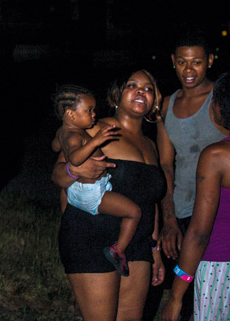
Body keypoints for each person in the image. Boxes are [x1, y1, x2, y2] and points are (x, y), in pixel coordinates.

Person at [52, 70, 166, 321]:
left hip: (138, 244)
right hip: (92, 237)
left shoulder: (150, 145)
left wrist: (155, 249)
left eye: (148, 88)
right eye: (132, 85)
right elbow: (59, 175)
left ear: (155, 99)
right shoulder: (94, 129)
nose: (141, 91)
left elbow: (150, 199)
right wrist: (73, 171)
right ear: (117, 94)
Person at [162, 64, 230, 321]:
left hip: (223, 268)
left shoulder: (218, 155)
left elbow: (199, 233)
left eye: (215, 100)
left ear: (228, 106)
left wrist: (176, 295)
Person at [153, 30, 227, 319]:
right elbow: (166, 165)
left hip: (221, 213)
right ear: (173, 61)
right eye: (182, 62)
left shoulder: (222, 99)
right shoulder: (166, 105)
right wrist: (169, 219)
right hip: (183, 213)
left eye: (196, 62)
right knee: (186, 294)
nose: (189, 70)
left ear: (210, 60)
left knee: (217, 294)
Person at [51, 85, 142, 276]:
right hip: (92, 193)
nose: (94, 115)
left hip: (79, 189)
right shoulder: (74, 135)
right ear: (70, 114)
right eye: (89, 110)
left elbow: (55, 146)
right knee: (134, 212)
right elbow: (75, 159)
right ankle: (118, 250)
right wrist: (96, 141)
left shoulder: (64, 132)